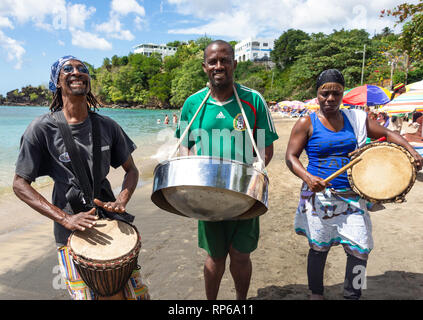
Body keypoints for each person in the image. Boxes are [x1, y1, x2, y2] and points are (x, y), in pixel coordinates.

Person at [12, 55, 149, 300]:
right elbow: (20, 184)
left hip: (112, 225)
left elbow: (132, 170)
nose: (77, 72)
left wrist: (123, 199)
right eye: (68, 69)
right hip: (70, 231)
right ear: (57, 81)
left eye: (82, 69)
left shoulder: (108, 126)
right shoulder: (41, 128)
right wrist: (65, 218)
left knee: (131, 296)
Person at [285, 69, 422, 300]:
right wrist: (308, 178)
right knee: (319, 248)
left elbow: (388, 134)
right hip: (320, 197)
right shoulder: (306, 121)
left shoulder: (356, 119)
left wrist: (411, 151)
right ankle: (316, 293)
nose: (330, 98)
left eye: (336, 93)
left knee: (361, 249)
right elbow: (291, 156)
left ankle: (353, 293)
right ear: (317, 94)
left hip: (352, 197)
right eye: (324, 93)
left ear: (342, 95)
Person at [175, 40, 278, 300]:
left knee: (241, 256)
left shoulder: (253, 100)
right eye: (213, 61)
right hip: (208, 194)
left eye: (224, 60)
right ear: (204, 67)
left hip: (243, 194)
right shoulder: (193, 103)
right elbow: (184, 147)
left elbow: (265, 149)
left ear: (235, 63)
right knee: (215, 257)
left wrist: (252, 177)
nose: (218, 66)